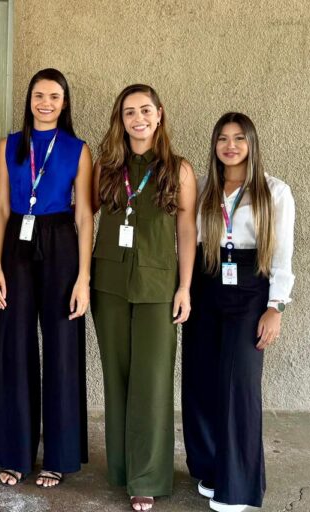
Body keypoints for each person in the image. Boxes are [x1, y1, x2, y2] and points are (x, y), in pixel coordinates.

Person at [91, 84, 197, 511]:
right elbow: (84, 219)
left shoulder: (179, 170)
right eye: (129, 111)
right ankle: (121, 468)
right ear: (120, 118)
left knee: (151, 383)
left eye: (145, 110)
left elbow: (187, 232)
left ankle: (147, 476)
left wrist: (185, 287)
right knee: (116, 379)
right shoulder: (107, 167)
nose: (138, 118)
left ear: (159, 114)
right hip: (109, 285)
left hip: (158, 288)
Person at [182, 113, 295, 512]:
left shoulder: (274, 192)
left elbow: (281, 257)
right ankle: (212, 469)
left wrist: (275, 307)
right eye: (223, 139)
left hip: (250, 290)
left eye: (239, 138)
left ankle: (239, 487)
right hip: (206, 282)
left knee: (238, 387)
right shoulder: (202, 187)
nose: (231, 146)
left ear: (251, 143)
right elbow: (187, 240)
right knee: (201, 381)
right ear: (214, 145)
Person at [0, 68, 94, 488]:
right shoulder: (9, 146)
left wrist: (83, 276)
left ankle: (59, 456)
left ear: (64, 102)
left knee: (61, 347)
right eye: (38, 95)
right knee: (14, 346)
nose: (45, 102)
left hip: (61, 241)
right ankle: (15, 453)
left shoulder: (78, 149)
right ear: (29, 99)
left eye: (54, 96)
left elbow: (85, 215)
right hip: (17, 239)